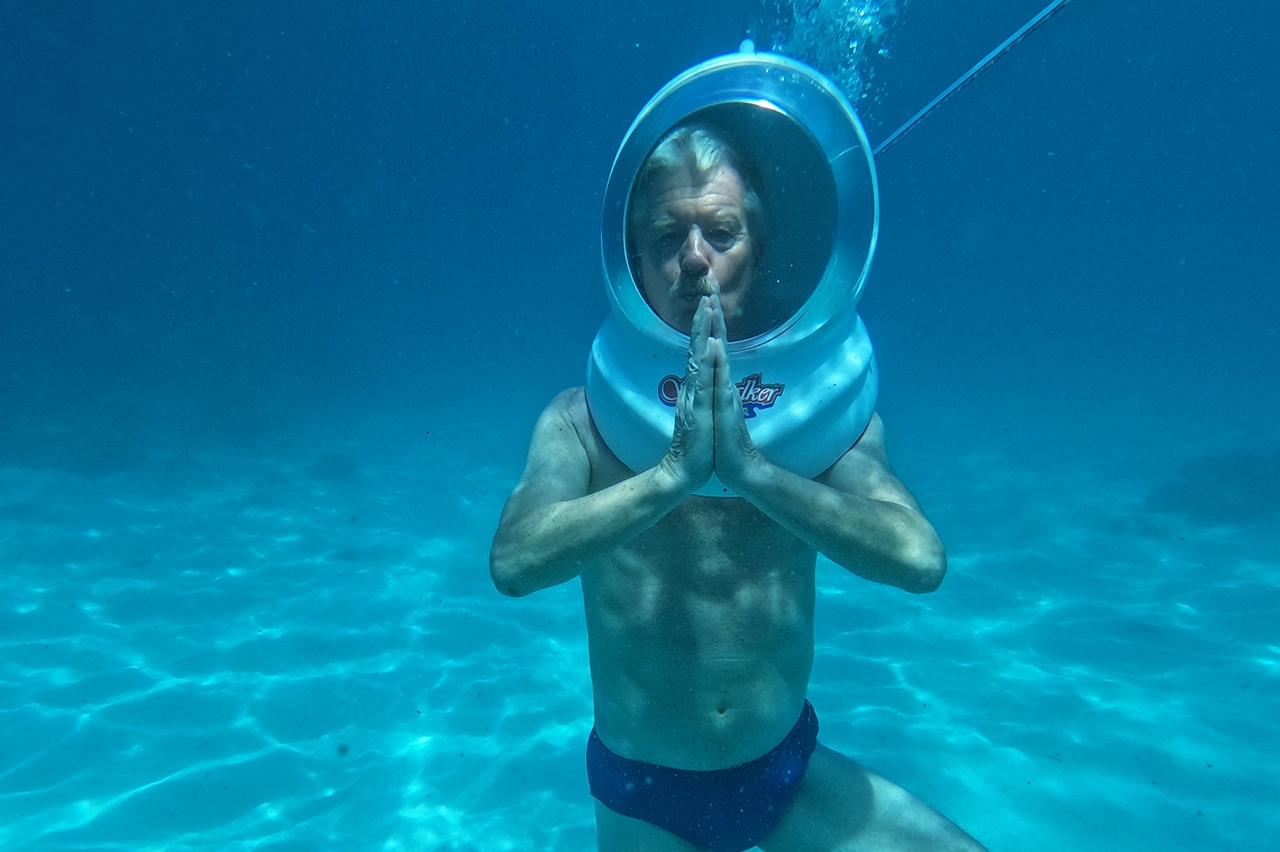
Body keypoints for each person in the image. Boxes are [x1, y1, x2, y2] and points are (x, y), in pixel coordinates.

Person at [490, 127, 987, 852]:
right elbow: (514, 562)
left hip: (786, 771)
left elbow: (919, 560)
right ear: (631, 259)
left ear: (759, 247)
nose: (695, 257)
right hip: (643, 795)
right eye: (667, 237)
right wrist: (672, 477)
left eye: (721, 232)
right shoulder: (580, 419)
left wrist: (754, 473)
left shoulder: (819, 424)